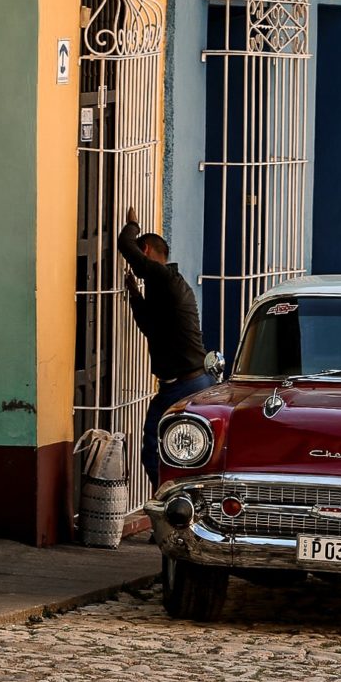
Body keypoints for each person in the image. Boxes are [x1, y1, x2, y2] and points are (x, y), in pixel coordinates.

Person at [118, 206, 214, 487]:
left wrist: (132, 224)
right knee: (186, 454)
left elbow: (125, 245)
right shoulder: (170, 286)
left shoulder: (162, 277)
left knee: (154, 449)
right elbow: (152, 327)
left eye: (140, 256)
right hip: (196, 380)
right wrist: (135, 294)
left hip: (183, 385)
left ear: (146, 250)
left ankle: (168, 514)